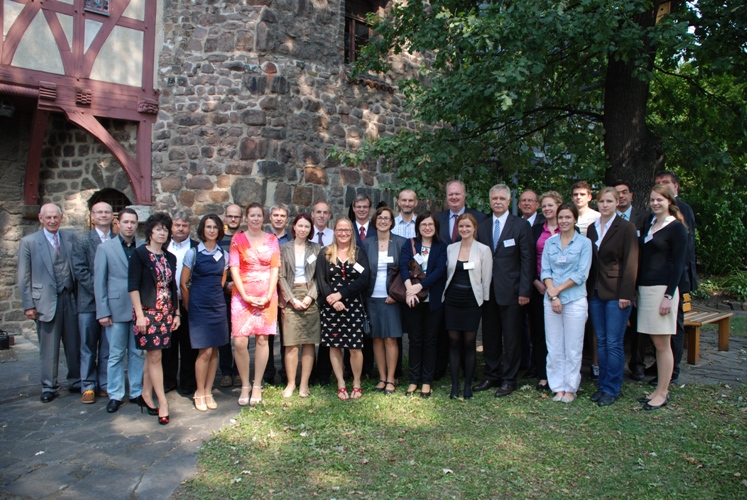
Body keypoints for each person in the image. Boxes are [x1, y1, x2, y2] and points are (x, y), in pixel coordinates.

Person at [474, 184, 534, 398]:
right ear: (490, 201)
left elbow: (528, 260)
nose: (498, 202)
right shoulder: (483, 226)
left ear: (509, 201)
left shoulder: (520, 225)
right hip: (488, 291)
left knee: (511, 338)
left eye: (502, 198)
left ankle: (509, 379)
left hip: (512, 291)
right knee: (490, 336)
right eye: (494, 198)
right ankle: (492, 374)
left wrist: (524, 291)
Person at [17, 203, 80, 402]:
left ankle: (76, 380)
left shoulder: (70, 238)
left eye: (55, 217)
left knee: (74, 343)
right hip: (45, 301)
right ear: (41, 219)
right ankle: (49, 386)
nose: (52, 221)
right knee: (49, 347)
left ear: (61, 218)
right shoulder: (29, 242)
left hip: (70, 298)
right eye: (48, 217)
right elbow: (23, 276)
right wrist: (28, 304)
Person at [636, 184, 687, 410]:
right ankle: (657, 390)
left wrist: (668, 295)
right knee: (655, 341)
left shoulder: (676, 228)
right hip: (646, 289)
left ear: (670, 201)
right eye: (652, 200)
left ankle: (663, 392)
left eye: (660, 200)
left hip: (662, 291)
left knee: (662, 343)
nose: (655, 203)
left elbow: (678, 265)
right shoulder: (650, 224)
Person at [586, 187, 639, 407]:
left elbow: (631, 263)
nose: (605, 205)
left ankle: (612, 387)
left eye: (609, 201)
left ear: (617, 203)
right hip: (595, 292)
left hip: (617, 293)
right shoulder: (592, 228)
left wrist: (626, 294)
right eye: (602, 201)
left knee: (614, 342)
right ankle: (602, 385)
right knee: (601, 340)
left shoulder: (626, 228)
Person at [129, 212, 180, 425]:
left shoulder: (170, 258)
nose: (162, 233)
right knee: (155, 356)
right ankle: (163, 402)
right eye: (158, 229)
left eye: (165, 230)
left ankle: (145, 394)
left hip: (165, 312)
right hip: (147, 312)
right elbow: (133, 286)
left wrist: (176, 313)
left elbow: (172, 287)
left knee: (153, 356)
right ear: (150, 231)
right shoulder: (140, 254)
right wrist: (140, 315)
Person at [94, 208, 145, 413]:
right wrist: (103, 312)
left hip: (139, 309)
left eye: (133, 222)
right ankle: (115, 394)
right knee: (115, 354)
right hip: (115, 309)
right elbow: (99, 282)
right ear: (118, 223)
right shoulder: (105, 248)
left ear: (136, 224)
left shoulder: (143, 247)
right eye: (126, 222)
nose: (129, 226)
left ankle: (136, 392)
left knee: (137, 353)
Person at [229, 203, 281, 406]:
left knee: (262, 341)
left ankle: (257, 384)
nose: (256, 219)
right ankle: (245, 384)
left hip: (267, 296)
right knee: (240, 342)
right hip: (242, 296)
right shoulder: (237, 239)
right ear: (246, 218)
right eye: (252, 215)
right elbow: (234, 268)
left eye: (259, 215)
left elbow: (275, 268)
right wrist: (245, 295)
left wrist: (268, 295)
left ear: (263, 218)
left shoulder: (272, 239)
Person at [541, 203, 592, 403]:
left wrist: (558, 290)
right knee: (554, 346)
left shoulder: (584, 243)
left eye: (568, 217)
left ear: (575, 219)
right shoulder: (550, 243)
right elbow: (545, 270)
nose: (563, 221)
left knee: (573, 347)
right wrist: (553, 296)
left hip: (574, 300)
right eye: (561, 217)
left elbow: (581, 274)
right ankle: (558, 387)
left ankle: (570, 388)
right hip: (551, 301)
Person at [650, 170, 697, 386]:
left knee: (673, 328)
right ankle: (660, 367)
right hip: (654, 283)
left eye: (666, 182)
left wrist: (672, 289)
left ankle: (673, 371)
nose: (662, 185)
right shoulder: (652, 216)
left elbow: (683, 253)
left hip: (674, 282)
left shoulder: (682, 211)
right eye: (658, 182)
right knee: (660, 331)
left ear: (675, 187)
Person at [435, 181, 486, 379]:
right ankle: (441, 368)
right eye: (450, 194)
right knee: (446, 332)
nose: (454, 197)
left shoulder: (480, 218)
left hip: (470, 289)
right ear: (446, 197)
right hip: (446, 285)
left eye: (457, 194)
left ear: (464, 196)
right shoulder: (438, 219)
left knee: (468, 336)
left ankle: (468, 371)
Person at [315, 217, 370, 400]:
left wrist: (341, 295)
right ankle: (340, 383)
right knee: (335, 346)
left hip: (353, 306)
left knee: (355, 347)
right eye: (340, 230)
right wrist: (333, 300)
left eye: (347, 230)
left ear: (351, 232)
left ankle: (356, 383)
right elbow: (321, 280)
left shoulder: (359, 253)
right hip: (331, 307)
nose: (343, 233)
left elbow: (364, 279)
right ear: (335, 231)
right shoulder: (325, 253)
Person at [180, 215, 229, 412]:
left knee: (215, 349)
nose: (211, 230)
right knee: (204, 350)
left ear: (219, 231)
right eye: (208, 227)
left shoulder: (224, 255)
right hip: (199, 307)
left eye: (215, 227)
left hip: (217, 306)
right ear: (202, 229)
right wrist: (189, 306)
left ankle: (209, 391)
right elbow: (183, 283)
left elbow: (222, 281)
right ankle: (199, 391)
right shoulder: (193, 253)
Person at [443, 213, 492, 399]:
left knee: (470, 342)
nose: (464, 229)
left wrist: (484, 301)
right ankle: (455, 384)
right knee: (454, 341)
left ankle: (468, 384)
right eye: (461, 226)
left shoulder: (483, 250)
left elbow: (486, 279)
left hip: (472, 301)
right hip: (452, 300)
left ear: (474, 228)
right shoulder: (451, 248)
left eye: (468, 226)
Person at [400, 211, 447, 397]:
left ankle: (427, 380)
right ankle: (414, 380)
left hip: (433, 300)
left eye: (430, 224)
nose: (427, 228)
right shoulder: (410, 244)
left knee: (430, 341)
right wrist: (409, 290)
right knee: (415, 340)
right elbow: (403, 267)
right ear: (418, 227)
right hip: (413, 300)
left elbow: (439, 271)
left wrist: (419, 286)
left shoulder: (441, 247)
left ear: (436, 227)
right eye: (423, 224)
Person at [72, 201, 113, 404]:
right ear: (92, 216)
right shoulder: (82, 240)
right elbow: (80, 270)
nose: (103, 215)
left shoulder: (117, 239)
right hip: (88, 301)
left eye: (107, 212)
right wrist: (100, 292)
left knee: (107, 346)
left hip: (112, 303)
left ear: (112, 216)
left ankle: (104, 383)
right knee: (88, 345)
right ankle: (88, 385)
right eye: (99, 212)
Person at [361, 207, 406, 394]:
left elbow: (405, 271)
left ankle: (391, 378)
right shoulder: (366, 243)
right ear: (374, 221)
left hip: (391, 299)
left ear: (392, 222)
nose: (383, 221)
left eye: (387, 218)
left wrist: (396, 294)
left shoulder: (401, 243)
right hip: (371, 297)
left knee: (390, 338)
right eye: (380, 218)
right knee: (377, 339)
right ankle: (381, 377)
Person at [278, 214, 321, 398]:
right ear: (294, 227)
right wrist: (291, 299)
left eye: (307, 226)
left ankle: (304, 384)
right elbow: (280, 276)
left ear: (311, 229)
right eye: (300, 226)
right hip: (290, 295)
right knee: (291, 343)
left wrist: (310, 297)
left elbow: (320, 276)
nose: (303, 229)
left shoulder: (316, 248)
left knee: (309, 342)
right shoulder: (283, 248)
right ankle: (291, 383)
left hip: (310, 295)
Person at [612, 179, 651, 381]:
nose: (621, 196)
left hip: (637, 279)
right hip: (611, 282)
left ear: (631, 195)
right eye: (617, 193)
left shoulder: (643, 218)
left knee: (637, 325)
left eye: (624, 192)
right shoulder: (606, 219)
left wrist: (635, 285)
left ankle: (637, 364)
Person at [529, 191, 563, 392]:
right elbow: (528, 257)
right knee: (540, 333)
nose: (547, 209)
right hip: (539, 289)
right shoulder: (535, 230)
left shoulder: (568, 228)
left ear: (559, 205)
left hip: (563, 289)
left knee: (560, 334)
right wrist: (535, 281)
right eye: (544, 206)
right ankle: (544, 375)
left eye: (551, 205)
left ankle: (561, 374)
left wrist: (557, 288)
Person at [162, 212, 198, 395]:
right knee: (168, 344)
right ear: (171, 227)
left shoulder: (197, 248)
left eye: (184, 225)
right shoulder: (163, 246)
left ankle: (188, 382)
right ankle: (168, 380)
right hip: (166, 303)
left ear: (190, 228)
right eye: (177, 225)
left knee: (188, 344)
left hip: (189, 302)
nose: (181, 229)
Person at [571, 180, 601, 380]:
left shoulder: (597, 218)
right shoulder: (567, 216)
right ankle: (577, 363)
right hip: (570, 277)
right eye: (575, 194)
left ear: (590, 197)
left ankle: (596, 364)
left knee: (594, 322)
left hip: (592, 275)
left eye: (582, 194)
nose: (578, 198)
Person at [264, 203, 291, 386]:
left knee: (286, 336)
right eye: (276, 215)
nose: (279, 218)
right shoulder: (263, 239)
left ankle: (286, 373)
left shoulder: (292, 240)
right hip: (267, 293)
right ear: (270, 217)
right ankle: (268, 374)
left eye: (282, 215)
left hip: (286, 293)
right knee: (267, 336)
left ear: (286, 219)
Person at [217, 204, 242, 388]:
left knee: (241, 335)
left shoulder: (245, 239)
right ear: (225, 218)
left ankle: (239, 371)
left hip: (242, 296)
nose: (233, 219)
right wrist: (225, 285)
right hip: (223, 295)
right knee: (224, 335)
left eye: (236, 216)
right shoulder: (218, 241)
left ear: (241, 219)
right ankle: (226, 371)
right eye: (230, 216)